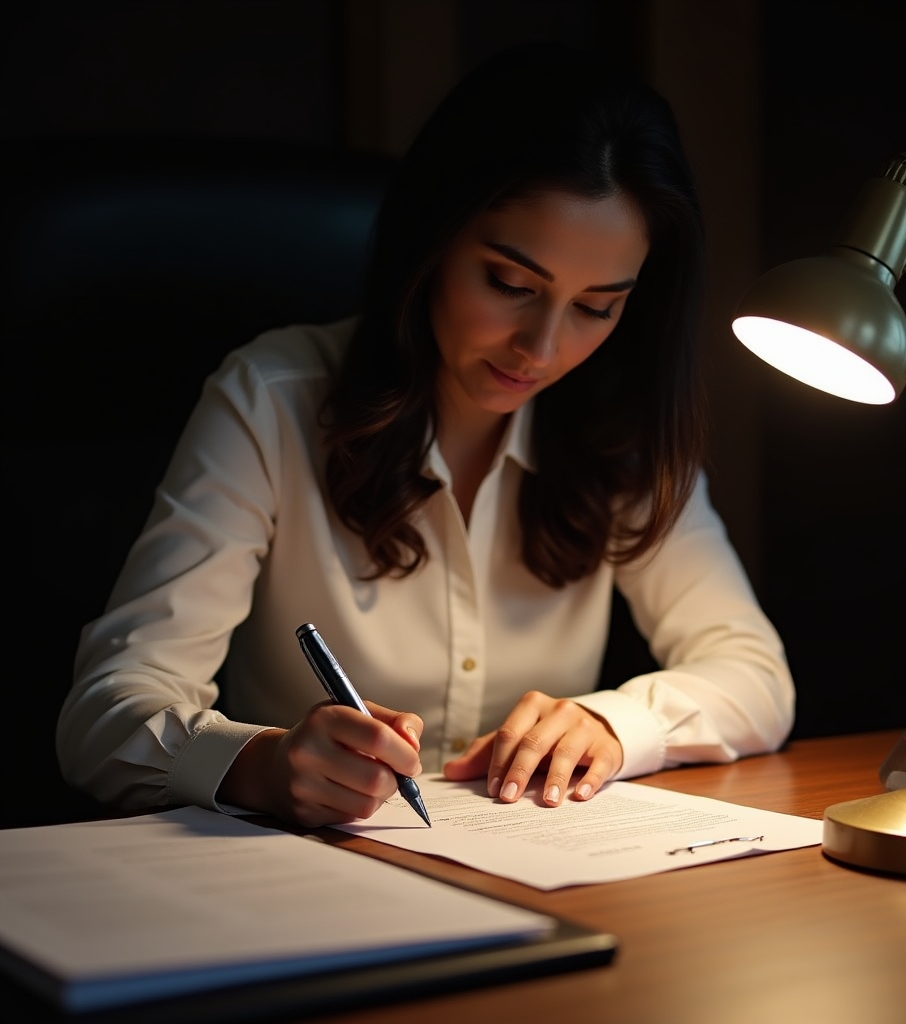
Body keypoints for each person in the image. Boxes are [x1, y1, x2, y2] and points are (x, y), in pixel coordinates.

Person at [56, 41, 795, 829]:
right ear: (433, 239)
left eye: (597, 306)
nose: (542, 350)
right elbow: (106, 716)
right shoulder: (272, 400)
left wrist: (615, 724)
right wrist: (262, 764)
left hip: (532, 878)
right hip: (300, 886)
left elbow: (755, 676)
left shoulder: (619, 428)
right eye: (511, 285)